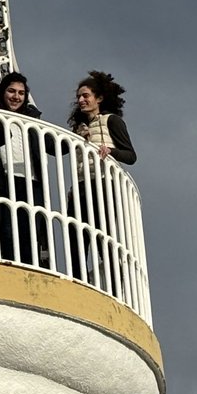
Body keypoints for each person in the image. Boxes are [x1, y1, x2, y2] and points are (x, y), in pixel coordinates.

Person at [66, 71, 137, 290]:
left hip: (103, 184)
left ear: (99, 98)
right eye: (79, 97)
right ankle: (78, 283)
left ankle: (117, 286)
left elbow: (131, 156)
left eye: (86, 95)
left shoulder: (112, 121)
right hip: (80, 185)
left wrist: (111, 151)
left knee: (102, 237)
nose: (81, 100)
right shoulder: (79, 127)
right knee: (76, 236)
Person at [0, 72, 49, 267]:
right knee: (7, 227)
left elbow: (51, 145)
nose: (16, 97)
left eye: (21, 93)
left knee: (32, 228)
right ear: (2, 92)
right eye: (11, 91)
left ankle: (30, 266)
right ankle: (10, 266)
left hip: (31, 179)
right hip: (5, 177)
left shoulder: (32, 118)